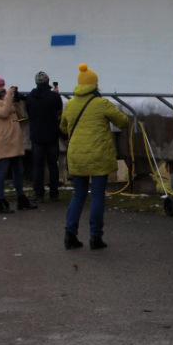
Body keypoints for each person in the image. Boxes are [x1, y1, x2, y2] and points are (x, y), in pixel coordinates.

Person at [60, 63, 128, 250]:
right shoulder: (101, 103)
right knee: (97, 195)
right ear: (95, 85)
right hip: (98, 155)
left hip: (77, 156)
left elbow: (63, 128)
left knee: (78, 194)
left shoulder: (71, 104)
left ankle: (70, 233)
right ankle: (95, 237)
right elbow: (122, 121)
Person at [0, 75, 35, 214]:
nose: (2, 88)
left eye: (3, 86)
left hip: (14, 139)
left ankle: (21, 198)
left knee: (18, 170)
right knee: (2, 170)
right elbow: (4, 113)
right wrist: (8, 97)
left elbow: (17, 114)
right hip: (2, 139)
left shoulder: (5, 99)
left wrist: (17, 100)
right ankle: (1, 201)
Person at [25, 71, 63, 203]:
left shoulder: (30, 97)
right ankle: (54, 193)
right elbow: (59, 111)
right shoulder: (54, 97)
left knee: (38, 165)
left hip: (36, 135)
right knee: (53, 164)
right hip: (52, 134)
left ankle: (39, 193)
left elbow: (28, 112)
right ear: (48, 82)